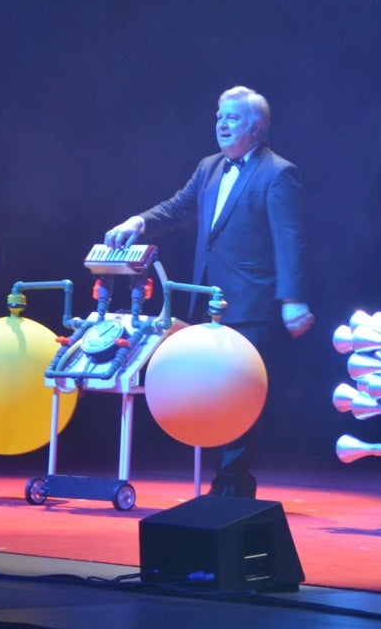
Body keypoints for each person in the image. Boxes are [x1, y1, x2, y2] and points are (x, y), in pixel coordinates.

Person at [104, 85, 314, 497]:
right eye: (219, 115)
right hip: (208, 300)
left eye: (232, 117)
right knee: (210, 393)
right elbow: (179, 208)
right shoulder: (209, 167)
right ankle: (219, 482)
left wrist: (292, 298)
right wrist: (139, 221)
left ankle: (233, 485)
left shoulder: (278, 173)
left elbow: (290, 239)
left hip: (251, 303)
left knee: (240, 396)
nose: (221, 123)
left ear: (256, 127)